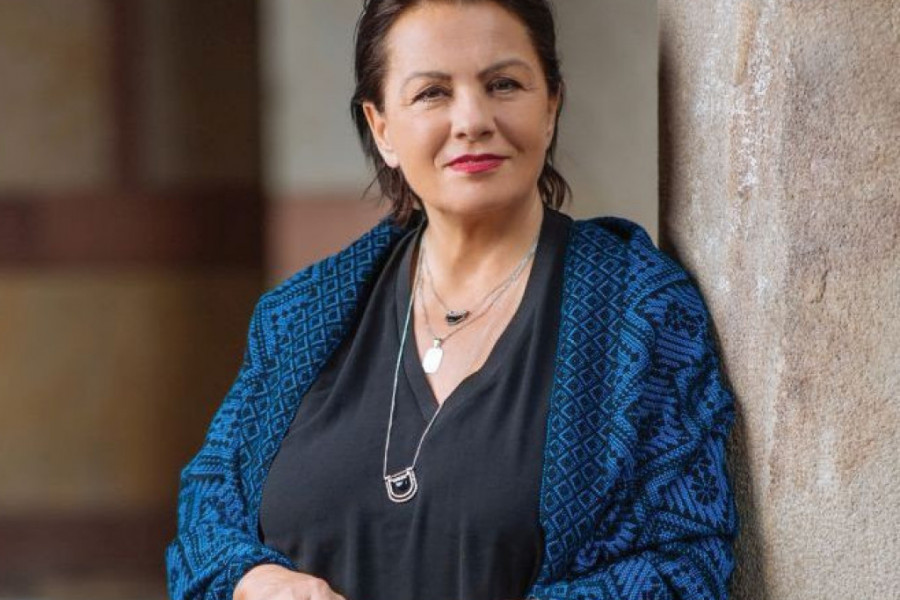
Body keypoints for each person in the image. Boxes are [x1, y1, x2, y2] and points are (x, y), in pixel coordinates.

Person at [165, 0, 739, 599]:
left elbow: (685, 564)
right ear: (381, 127)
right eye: (432, 93)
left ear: (551, 105)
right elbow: (207, 516)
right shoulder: (299, 315)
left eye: (503, 84)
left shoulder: (641, 313)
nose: (472, 119)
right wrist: (255, 581)